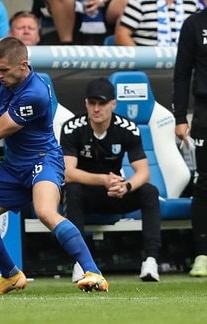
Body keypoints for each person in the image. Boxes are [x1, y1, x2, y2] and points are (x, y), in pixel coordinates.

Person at [0, 37, 109, 294]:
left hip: (43, 160)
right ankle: (11, 275)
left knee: (45, 212)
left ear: (23, 65)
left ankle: (93, 272)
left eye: (4, 71)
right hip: (14, 166)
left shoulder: (35, 94)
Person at [59, 77, 162, 282]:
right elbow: (67, 172)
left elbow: (143, 171)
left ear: (113, 104)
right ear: (86, 104)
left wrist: (126, 185)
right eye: (92, 103)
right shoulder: (72, 128)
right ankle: (81, 263)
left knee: (150, 191)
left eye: (102, 103)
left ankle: (151, 261)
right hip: (86, 193)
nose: (97, 109)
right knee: (72, 189)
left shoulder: (128, 128)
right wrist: (103, 179)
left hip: (115, 192)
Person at [172, 8, 207, 277]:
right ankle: (202, 254)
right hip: (205, 111)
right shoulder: (193, 23)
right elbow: (182, 73)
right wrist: (180, 117)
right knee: (204, 182)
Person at [115, 0, 200, 46]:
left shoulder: (192, 3)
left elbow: (201, 33)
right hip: (147, 66)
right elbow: (121, 35)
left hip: (186, 66)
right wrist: (141, 60)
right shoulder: (139, 2)